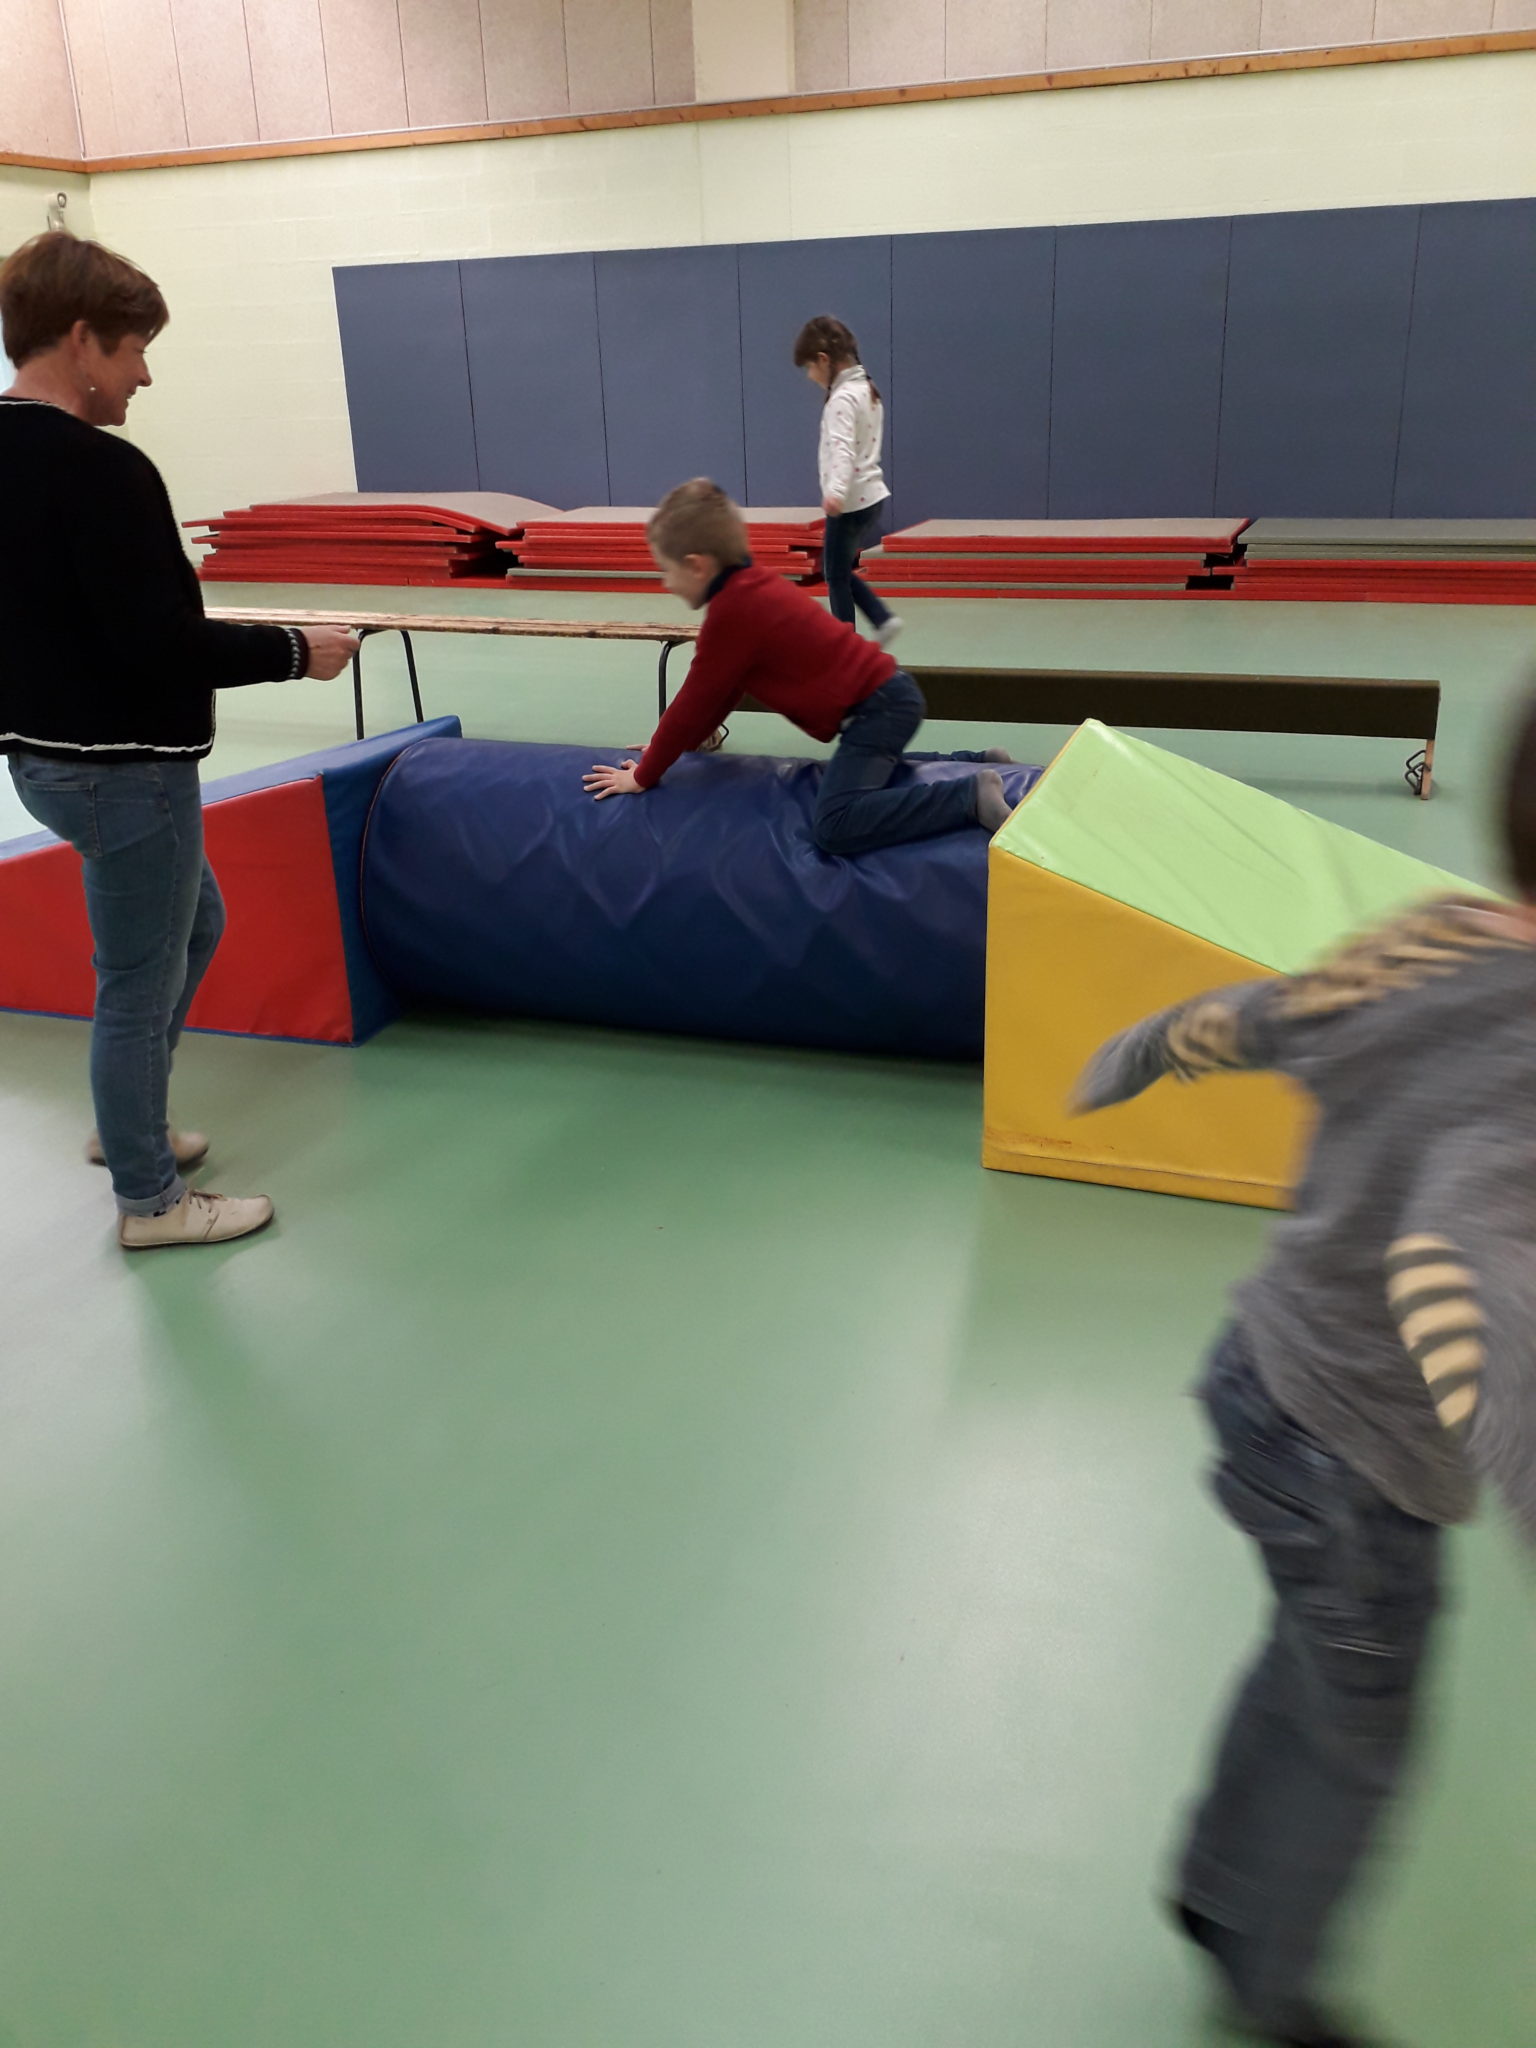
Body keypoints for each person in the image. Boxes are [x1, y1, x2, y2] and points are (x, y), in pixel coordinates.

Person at [1072, 694, 1536, 2048]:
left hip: (1262, 1369)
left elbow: (1272, 1014)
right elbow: (1462, 1257)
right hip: (1356, 1453)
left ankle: (1222, 1889)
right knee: (1365, 1725)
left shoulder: (1435, 934)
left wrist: (1144, 1049)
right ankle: (1269, 1983)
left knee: (1311, 1660)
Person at [0, 232, 359, 1250]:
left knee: (194, 924)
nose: (145, 375)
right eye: (134, 351)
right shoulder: (102, 470)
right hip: (125, 772)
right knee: (138, 977)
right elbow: (159, 643)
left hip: (44, 762)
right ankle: (150, 1198)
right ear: (81, 341)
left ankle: (130, 1126)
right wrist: (298, 650)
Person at [582, 478, 1012, 853]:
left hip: (878, 709)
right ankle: (976, 760)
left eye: (666, 570)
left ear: (696, 566)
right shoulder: (754, 586)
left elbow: (694, 702)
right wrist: (677, 745)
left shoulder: (731, 615)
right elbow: (722, 694)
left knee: (835, 825)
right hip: (889, 695)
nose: (665, 583)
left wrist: (645, 774)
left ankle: (967, 796)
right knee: (872, 766)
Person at [792, 315, 903, 649]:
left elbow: (842, 450)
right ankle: (882, 619)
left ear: (824, 359)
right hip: (872, 497)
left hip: (850, 501)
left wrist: (836, 492)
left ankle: (845, 644)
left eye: (809, 367)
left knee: (835, 575)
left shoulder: (842, 399)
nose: (810, 376)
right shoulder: (866, 389)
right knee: (839, 570)